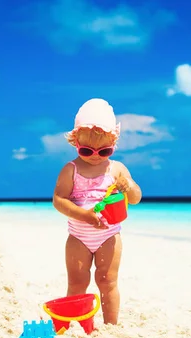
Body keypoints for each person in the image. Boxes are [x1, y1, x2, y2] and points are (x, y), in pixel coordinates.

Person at [52, 98, 142, 325]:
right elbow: (59, 200)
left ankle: (111, 326)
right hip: (79, 237)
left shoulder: (117, 169)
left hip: (109, 236)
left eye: (104, 151)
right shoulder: (71, 170)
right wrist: (84, 215)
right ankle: (75, 324)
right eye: (86, 150)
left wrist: (128, 186)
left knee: (107, 281)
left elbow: (136, 198)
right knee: (77, 283)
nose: (95, 155)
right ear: (75, 142)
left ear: (114, 143)